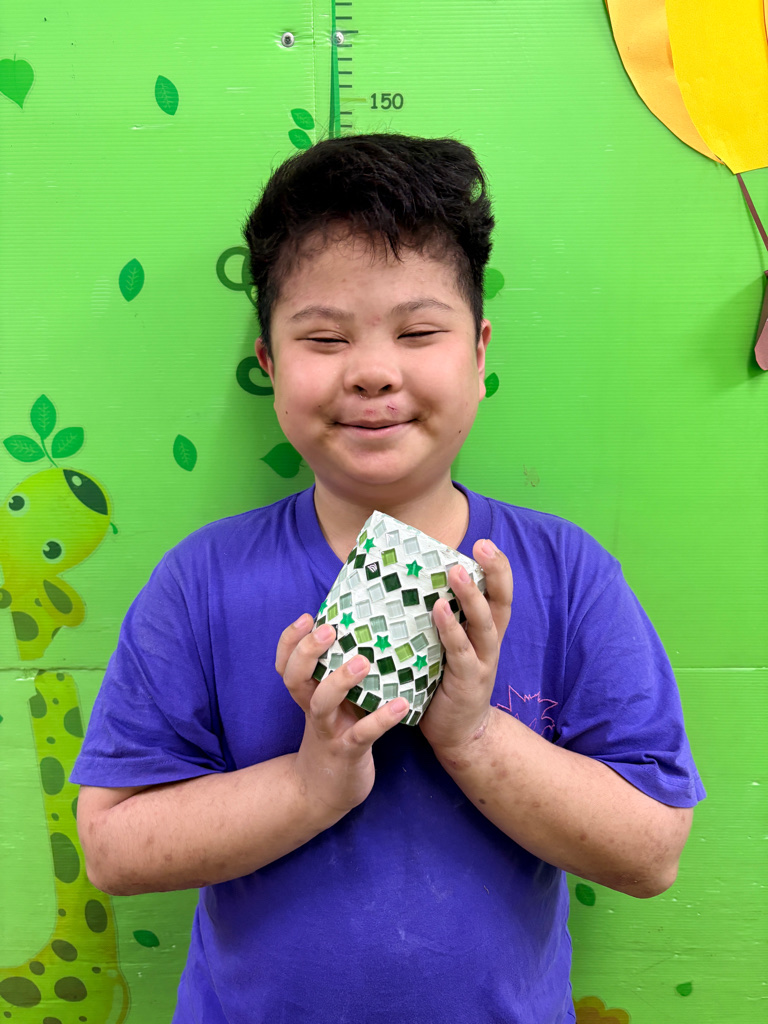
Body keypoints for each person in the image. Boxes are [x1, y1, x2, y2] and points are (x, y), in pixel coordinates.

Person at [72, 133, 705, 1024]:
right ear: (269, 364)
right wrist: (311, 784)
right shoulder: (200, 581)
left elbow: (651, 852)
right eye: (324, 338)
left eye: (417, 332)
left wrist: (473, 735)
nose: (373, 372)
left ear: (479, 352)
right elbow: (111, 847)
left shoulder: (570, 576)